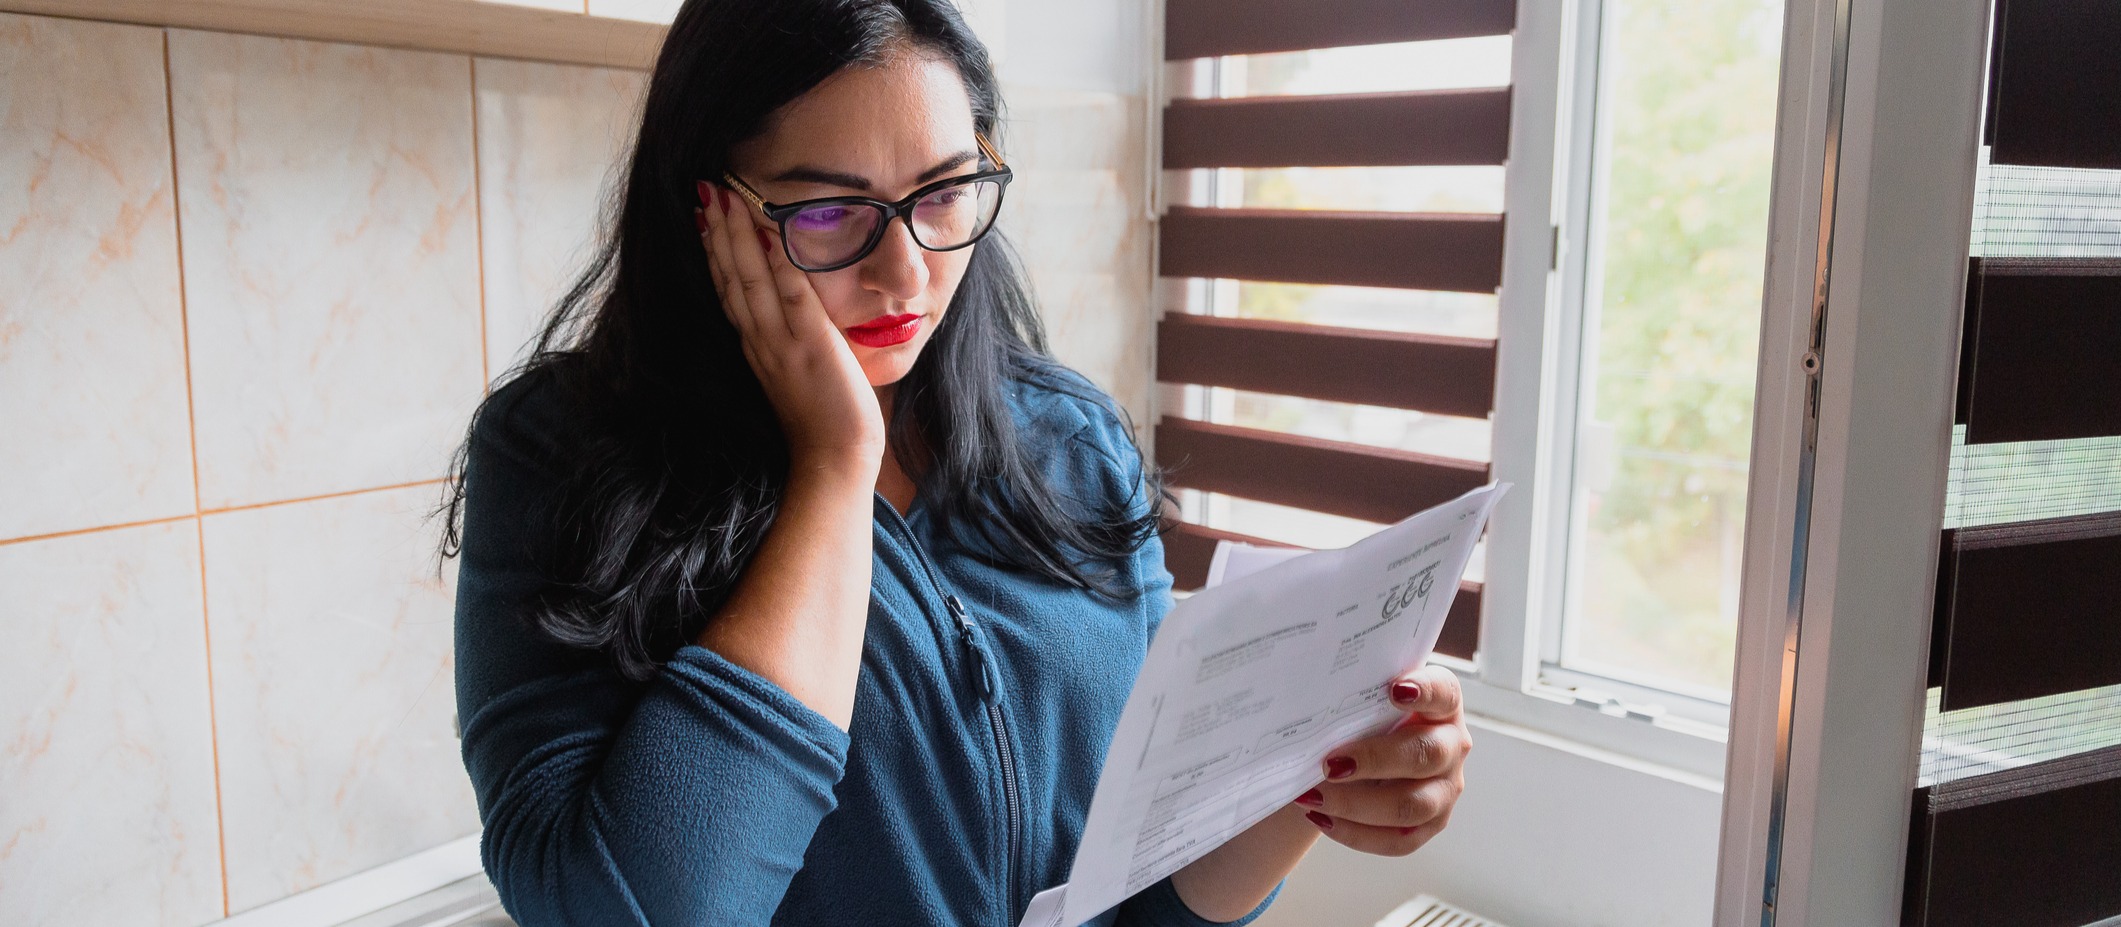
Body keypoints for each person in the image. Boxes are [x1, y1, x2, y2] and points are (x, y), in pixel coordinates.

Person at [437, 1, 1472, 924]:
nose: (907, 272)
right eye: (829, 213)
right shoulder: (560, 457)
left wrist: (1316, 780)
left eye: (943, 194)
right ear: (709, 213)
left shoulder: (1068, 439)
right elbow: (644, 910)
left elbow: (1141, 894)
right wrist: (837, 465)